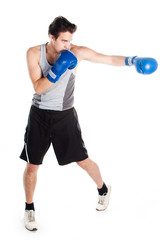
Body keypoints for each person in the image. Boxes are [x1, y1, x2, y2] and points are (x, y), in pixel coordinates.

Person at [20, 16, 158, 231]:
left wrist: (133, 60)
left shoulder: (76, 52)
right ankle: (29, 209)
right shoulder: (33, 53)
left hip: (65, 115)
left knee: (82, 160)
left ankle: (103, 189)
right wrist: (58, 70)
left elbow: (108, 59)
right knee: (32, 166)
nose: (68, 45)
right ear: (51, 37)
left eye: (70, 40)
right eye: (63, 41)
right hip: (38, 114)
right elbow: (38, 88)